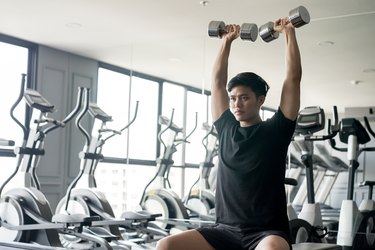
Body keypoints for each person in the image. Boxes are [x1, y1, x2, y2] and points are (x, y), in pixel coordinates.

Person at [155, 16, 301, 250]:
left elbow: (293, 79)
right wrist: (226, 41)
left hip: (266, 233)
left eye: (244, 98)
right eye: (233, 98)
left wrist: (289, 34)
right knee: (166, 245)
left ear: (260, 100)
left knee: (273, 248)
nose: (236, 104)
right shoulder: (226, 128)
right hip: (225, 230)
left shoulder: (277, 130)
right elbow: (216, 83)